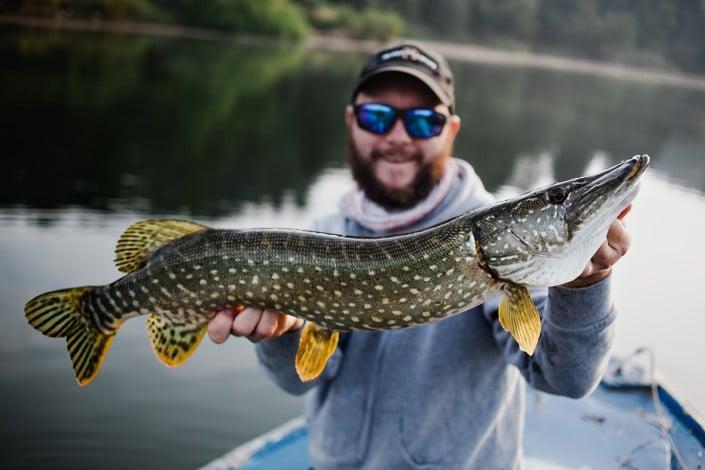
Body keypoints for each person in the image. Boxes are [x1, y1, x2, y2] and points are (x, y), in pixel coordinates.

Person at [207, 41, 631, 469]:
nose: (397, 137)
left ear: (450, 130)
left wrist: (585, 285)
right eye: (377, 117)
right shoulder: (323, 236)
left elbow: (567, 377)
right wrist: (281, 335)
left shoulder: (495, 249)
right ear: (352, 122)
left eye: (424, 122)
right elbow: (300, 379)